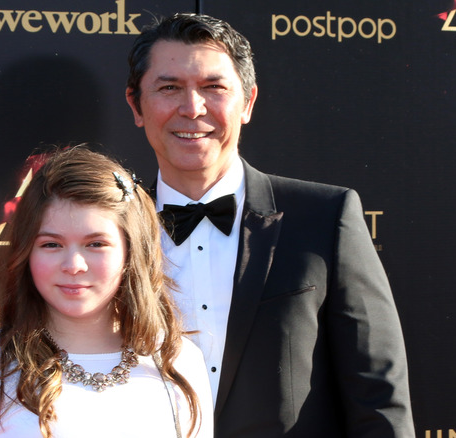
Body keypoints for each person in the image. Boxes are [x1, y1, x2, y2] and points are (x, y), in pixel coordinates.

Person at [124, 13, 414, 437]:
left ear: (248, 103)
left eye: (214, 88)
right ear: (136, 105)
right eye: (169, 88)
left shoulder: (325, 216)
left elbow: (379, 394)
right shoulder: (110, 231)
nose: (192, 108)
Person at [0, 146, 213, 437]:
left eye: (95, 244)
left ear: (130, 251)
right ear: (27, 252)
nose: (74, 265)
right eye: (52, 244)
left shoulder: (179, 362)